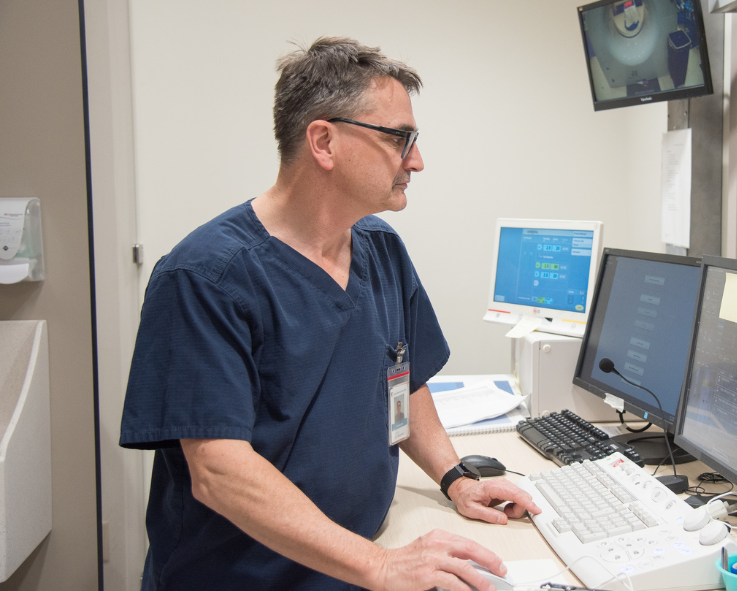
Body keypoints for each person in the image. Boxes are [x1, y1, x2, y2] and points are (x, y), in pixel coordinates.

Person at [119, 37, 540, 591]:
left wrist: (454, 476)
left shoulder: (379, 248)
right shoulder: (205, 277)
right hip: (249, 577)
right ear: (324, 141)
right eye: (399, 139)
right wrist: (380, 567)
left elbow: (401, 379)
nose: (416, 160)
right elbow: (219, 471)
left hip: (360, 553)